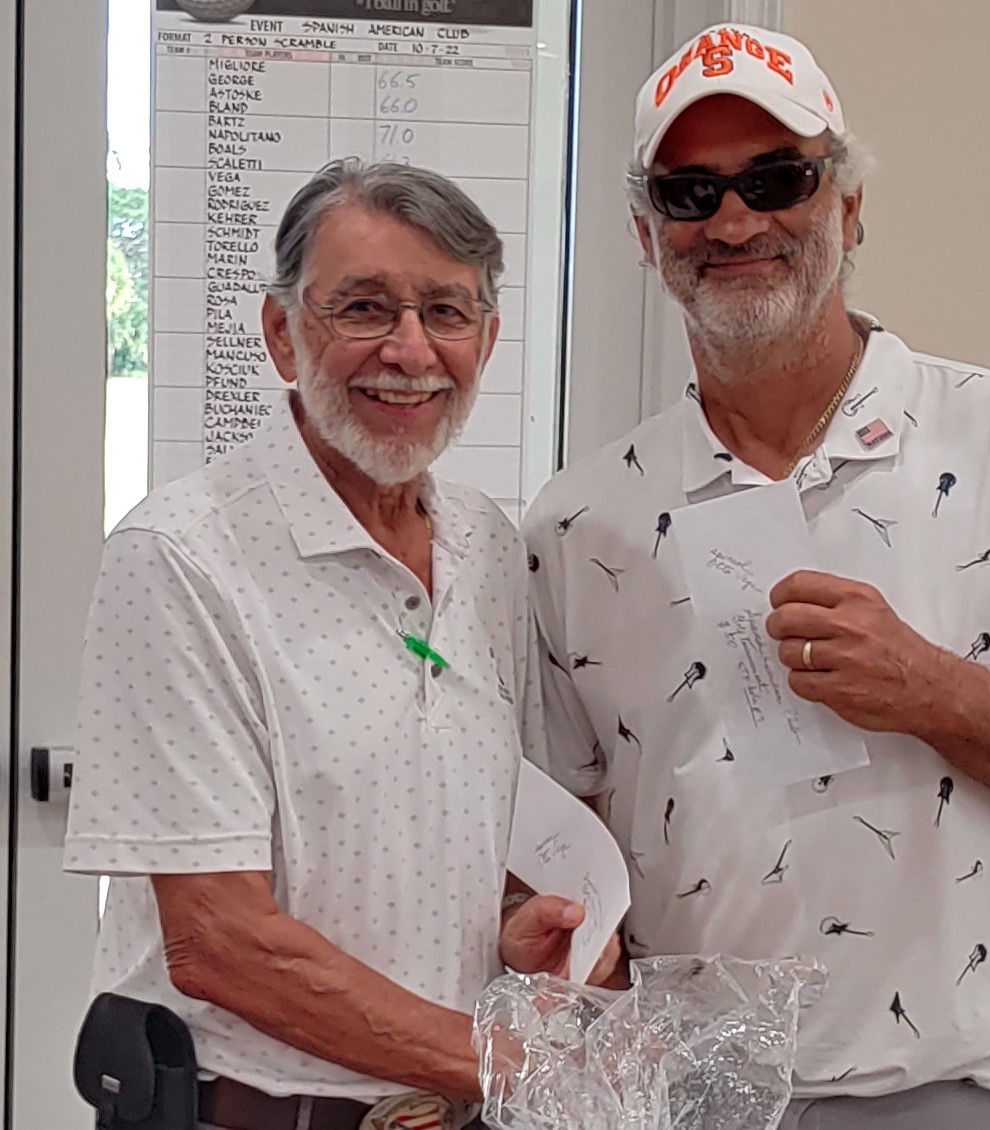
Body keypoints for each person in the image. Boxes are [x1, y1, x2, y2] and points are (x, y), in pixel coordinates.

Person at [523, 23, 990, 1130]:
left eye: (777, 178)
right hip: (688, 1096)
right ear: (644, 236)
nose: (734, 222)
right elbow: (566, 840)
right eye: (689, 193)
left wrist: (932, 689)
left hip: (959, 1095)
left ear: (848, 206)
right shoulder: (577, 522)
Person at [64, 158, 616, 1130]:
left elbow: (458, 844)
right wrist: (509, 1065)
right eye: (362, 308)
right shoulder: (183, 555)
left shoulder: (488, 546)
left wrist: (509, 932)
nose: (409, 349)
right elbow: (218, 941)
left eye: (445, 311)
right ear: (282, 333)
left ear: (486, 340)